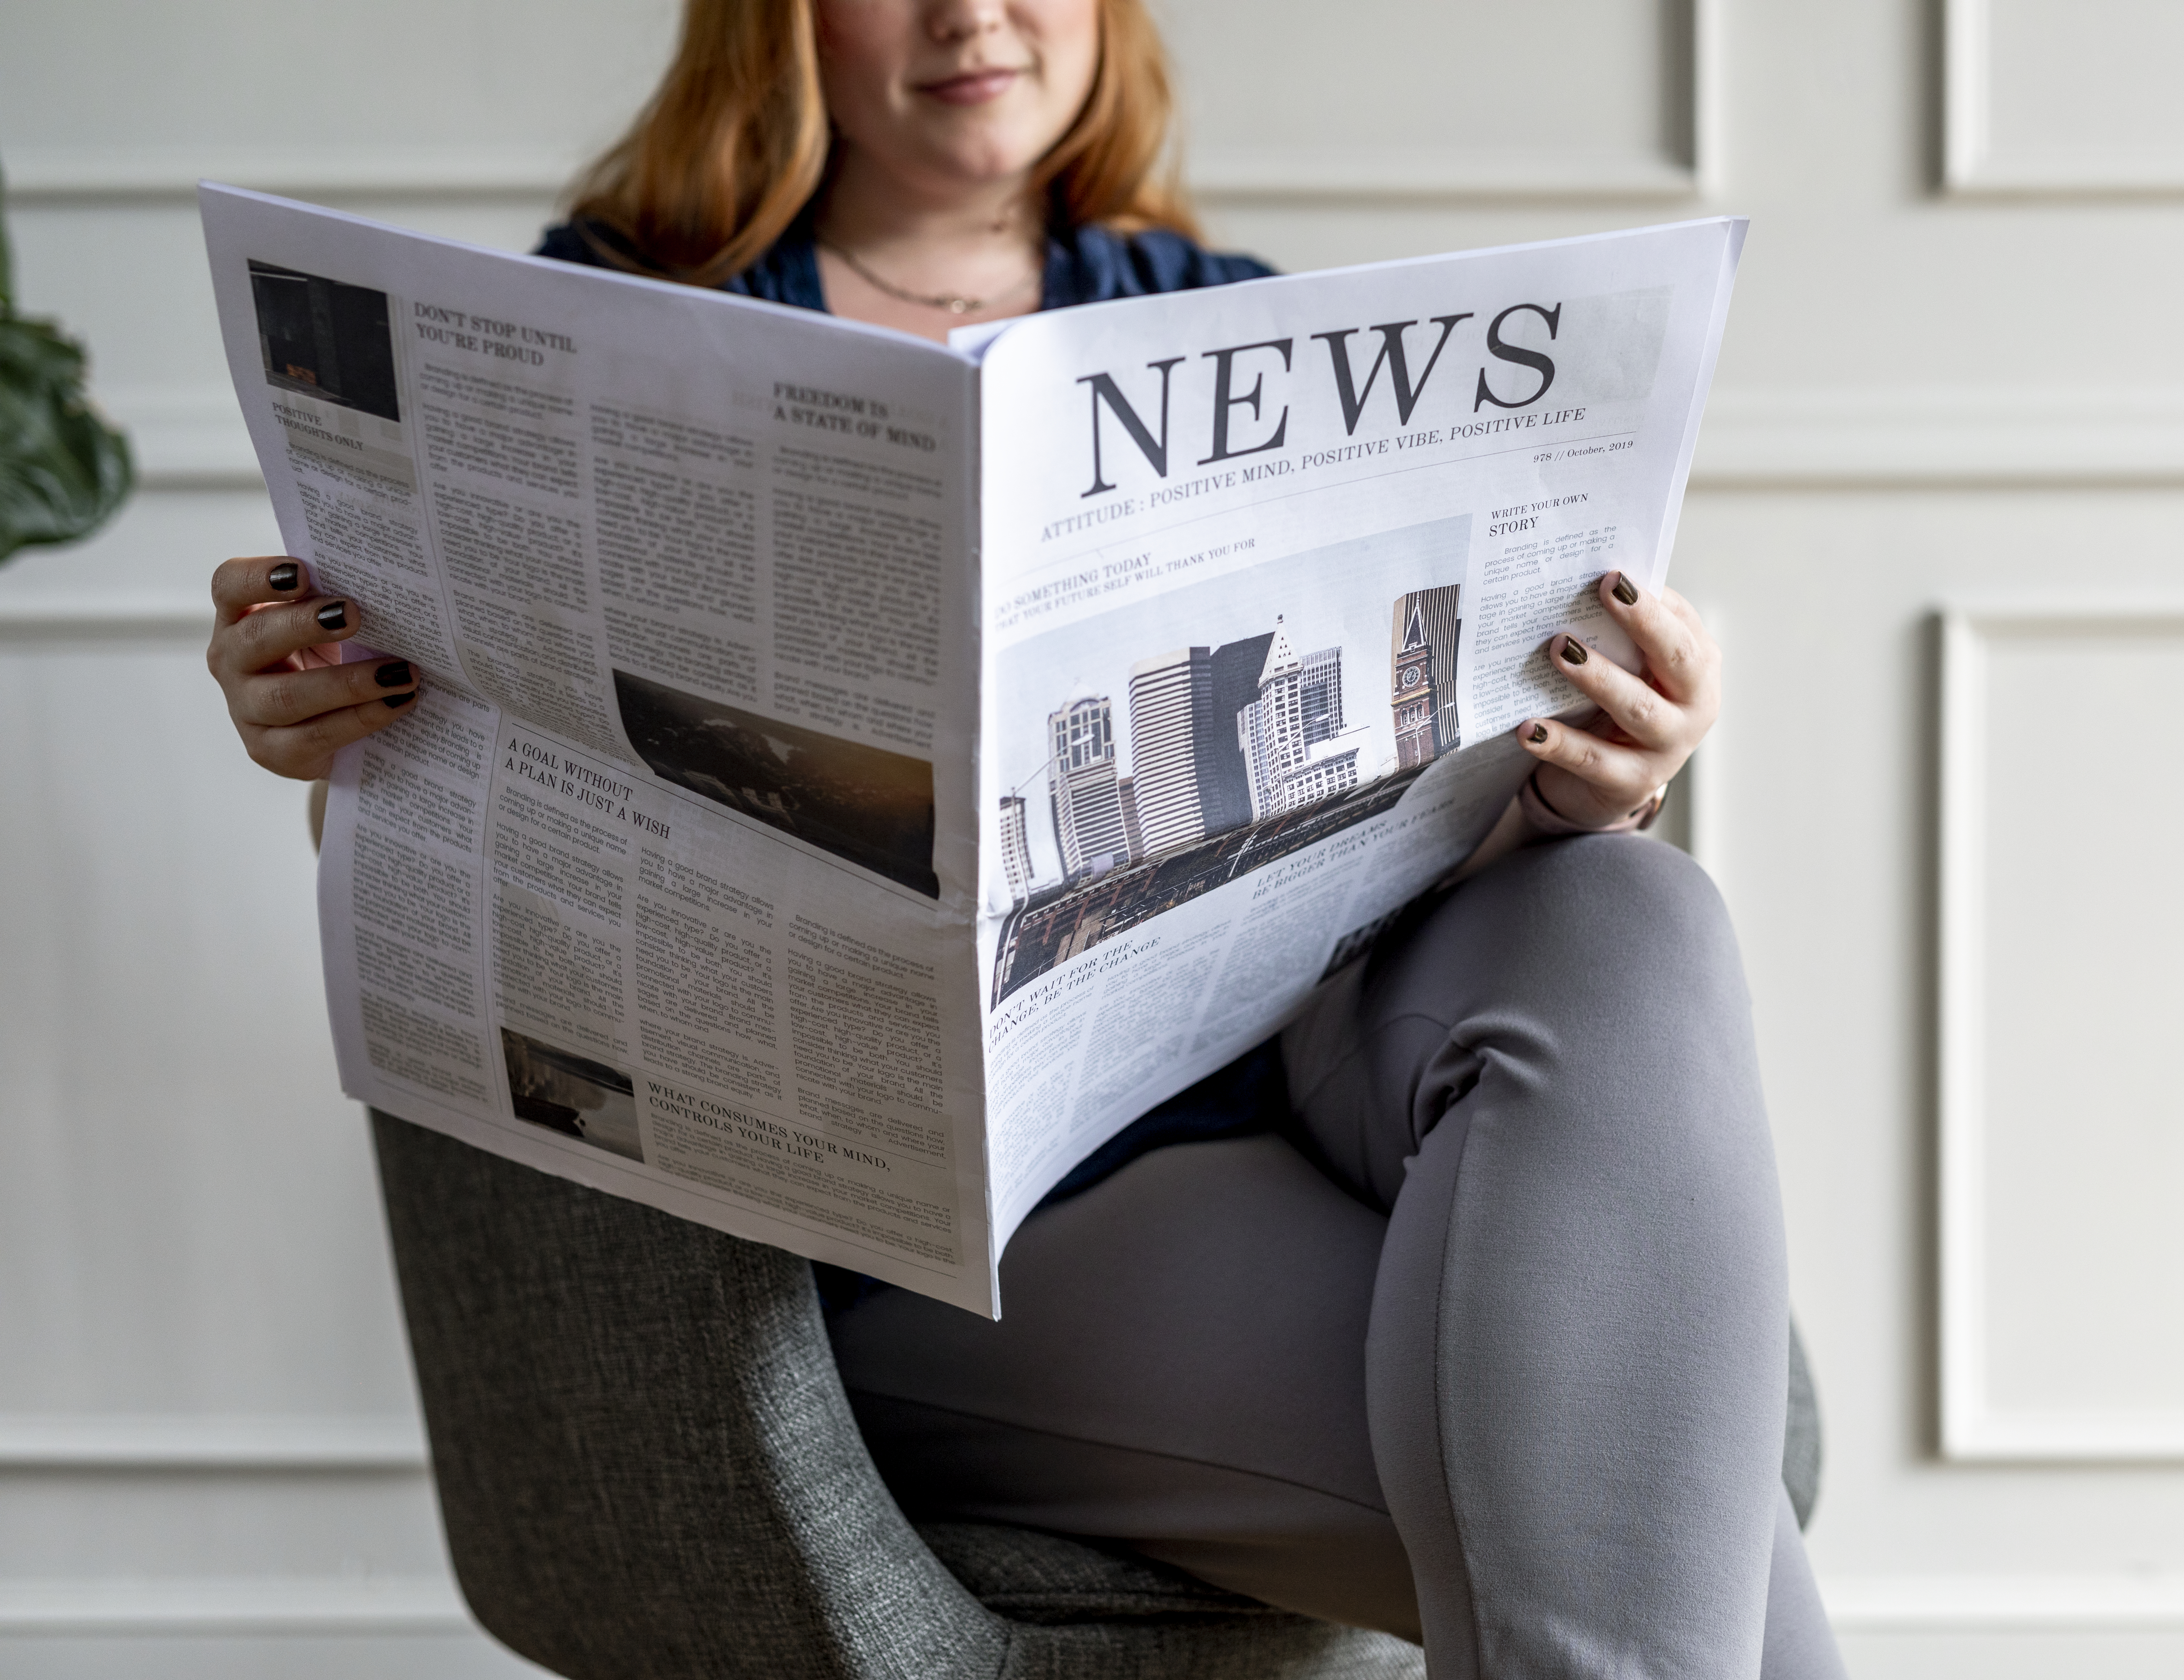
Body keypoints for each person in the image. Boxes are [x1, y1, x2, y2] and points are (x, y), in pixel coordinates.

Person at [203, 2, 1848, 1675]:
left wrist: (1587, 775)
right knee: (1645, 1496)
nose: (974, 12)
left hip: (1309, 1064)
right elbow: (498, 867)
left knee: (1635, 907)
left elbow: (1396, 847)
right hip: (968, 1228)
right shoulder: (617, 322)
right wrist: (331, 735)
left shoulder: (1220, 324)